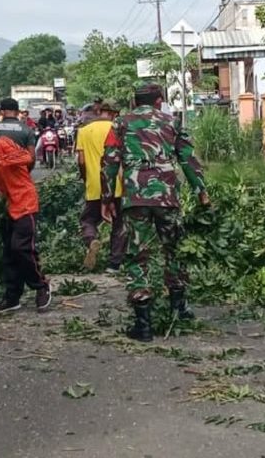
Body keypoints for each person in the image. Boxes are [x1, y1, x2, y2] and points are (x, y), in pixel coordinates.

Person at [101, 82, 210, 342]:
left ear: (135, 101)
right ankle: (179, 308)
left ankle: (143, 323)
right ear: (159, 100)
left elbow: (109, 161)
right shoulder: (171, 122)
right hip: (167, 196)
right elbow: (188, 158)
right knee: (174, 248)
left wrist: (106, 198)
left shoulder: (120, 123)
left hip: (135, 197)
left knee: (138, 254)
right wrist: (201, 191)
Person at [0, 109, 51, 314]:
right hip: (9, 205)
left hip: (25, 203)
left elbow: (26, 157)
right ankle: (12, 297)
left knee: (22, 248)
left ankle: (41, 286)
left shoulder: (3, 143)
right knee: (9, 253)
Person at [76, 99, 127, 272]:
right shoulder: (118, 130)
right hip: (117, 185)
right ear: (115, 114)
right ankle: (114, 264)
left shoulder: (83, 131)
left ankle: (91, 239)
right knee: (119, 223)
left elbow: (81, 161)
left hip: (94, 185)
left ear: (99, 112)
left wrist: (86, 179)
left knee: (88, 219)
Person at [0, 97, 36, 169]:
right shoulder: (27, 130)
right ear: (18, 112)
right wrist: (26, 171)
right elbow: (32, 157)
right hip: (20, 172)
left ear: (1, 112)